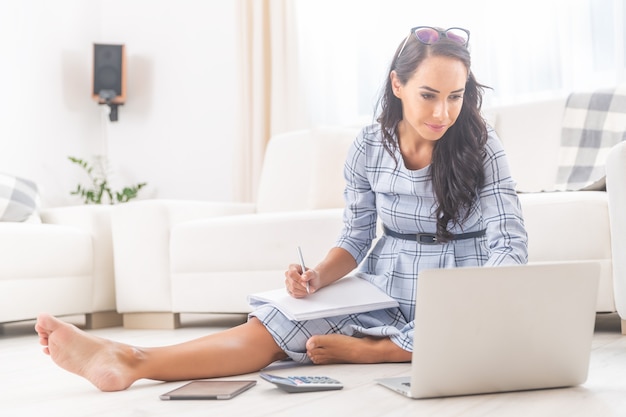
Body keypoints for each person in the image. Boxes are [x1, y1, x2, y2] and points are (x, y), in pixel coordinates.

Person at [35, 26, 528, 392]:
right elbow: (356, 238)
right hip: (387, 276)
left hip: (462, 277)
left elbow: (509, 243)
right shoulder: (367, 146)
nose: (442, 112)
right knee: (276, 323)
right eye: (429, 95)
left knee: (480, 337)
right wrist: (316, 278)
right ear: (397, 86)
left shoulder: (484, 147)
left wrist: (491, 298)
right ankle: (132, 358)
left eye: (455, 96)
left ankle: (375, 351)